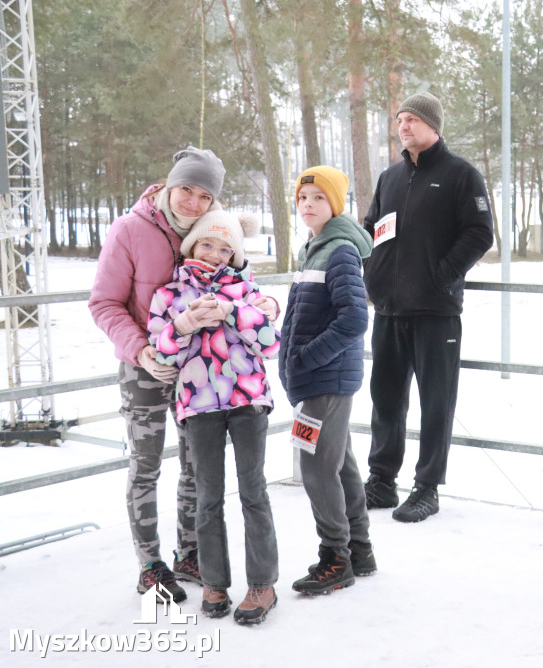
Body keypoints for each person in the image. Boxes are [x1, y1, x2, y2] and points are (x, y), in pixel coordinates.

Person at [90, 147, 252, 602]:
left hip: (196, 371)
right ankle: (150, 562)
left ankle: (190, 551)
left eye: (204, 195)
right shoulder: (130, 229)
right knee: (145, 465)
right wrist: (140, 350)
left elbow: (242, 280)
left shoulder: (211, 231)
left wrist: (264, 307)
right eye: (186, 189)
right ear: (169, 184)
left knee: (195, 465)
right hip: (144, 367)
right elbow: (103, 303)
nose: (193, 201)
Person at [361, 91, 494, 523]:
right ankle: (381, 481)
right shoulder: (390, 178)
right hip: (389, 310)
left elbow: (479, 233)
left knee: (436, 401)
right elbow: (370, 230)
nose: (404, 126)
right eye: (400, 119)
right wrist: (372, 275)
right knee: (385, 398)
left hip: (436, 312)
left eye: (413, 119)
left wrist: (442, 275)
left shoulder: (461, 175)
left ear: (433, 125)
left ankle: (427, 487)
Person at [148, 208, 280, 624]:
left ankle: (263, 584)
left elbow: (271, 343)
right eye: (208, 244)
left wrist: (234, 313)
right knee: (207, 496)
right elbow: (162, 352)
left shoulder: (247, 290)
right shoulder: (169, 294)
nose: (216, 254)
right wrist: (184, 324)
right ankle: (214, 581)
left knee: (253, 491)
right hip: (198, 403)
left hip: (247, 399)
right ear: (192, 245)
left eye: (226, 248)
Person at [280, 166, 378, 595]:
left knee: (316, 466)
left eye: (319, 198)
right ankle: (359, 548)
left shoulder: (337, 250)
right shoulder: (313, 248)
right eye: (303, 198)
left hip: (325, 380)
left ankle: (334, 557)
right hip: (316, 379)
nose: (308, 205)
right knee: (341, 463)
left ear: (335, 204)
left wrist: (307, 358)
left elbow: (355, 318)